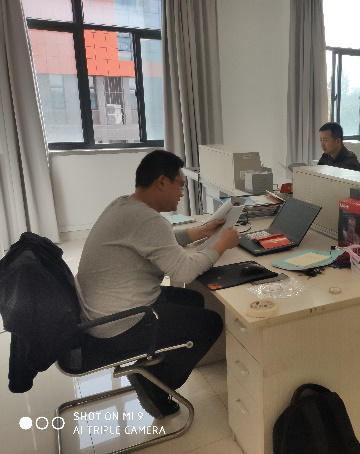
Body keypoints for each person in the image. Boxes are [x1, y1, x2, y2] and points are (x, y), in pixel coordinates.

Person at [76, 150, 240, 419]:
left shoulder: (125, 206)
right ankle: (153, 382)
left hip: (101, 313)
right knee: (210, 323)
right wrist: (222, 244)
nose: (182, 193)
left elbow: (154, 241)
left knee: (193, 300)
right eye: (180, 185)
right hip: (118, 325)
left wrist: (197, 232)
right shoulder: (148, 220)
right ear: (162, 182)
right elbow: (185, 271)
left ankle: (155, 366)